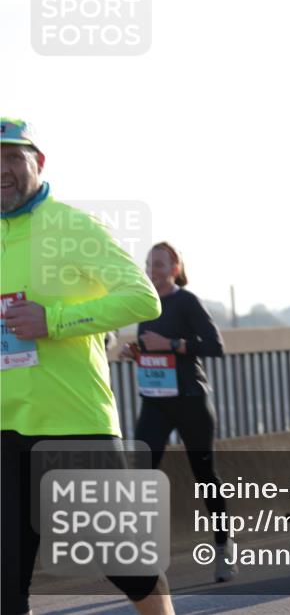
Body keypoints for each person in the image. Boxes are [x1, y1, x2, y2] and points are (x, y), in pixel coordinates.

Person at [1, 118, 175, 615]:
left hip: (72, 421)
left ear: (39, 162)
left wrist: (53, 320)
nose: (4, 170)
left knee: (127, 564)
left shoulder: (71, 226)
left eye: (14, 157)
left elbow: (143, 299)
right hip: (3, 426)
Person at [119, 242, 233, 582]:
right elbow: (153, 348)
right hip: (155, 400)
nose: (152, 269)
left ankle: (224, 546)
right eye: (149, 263)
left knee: (204, 474)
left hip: (190, 399)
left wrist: (170, 345)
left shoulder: (186, 301)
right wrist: (136, 351)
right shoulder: (145, 303)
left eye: (159, 264)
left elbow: (215, 346)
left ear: (175, 268)